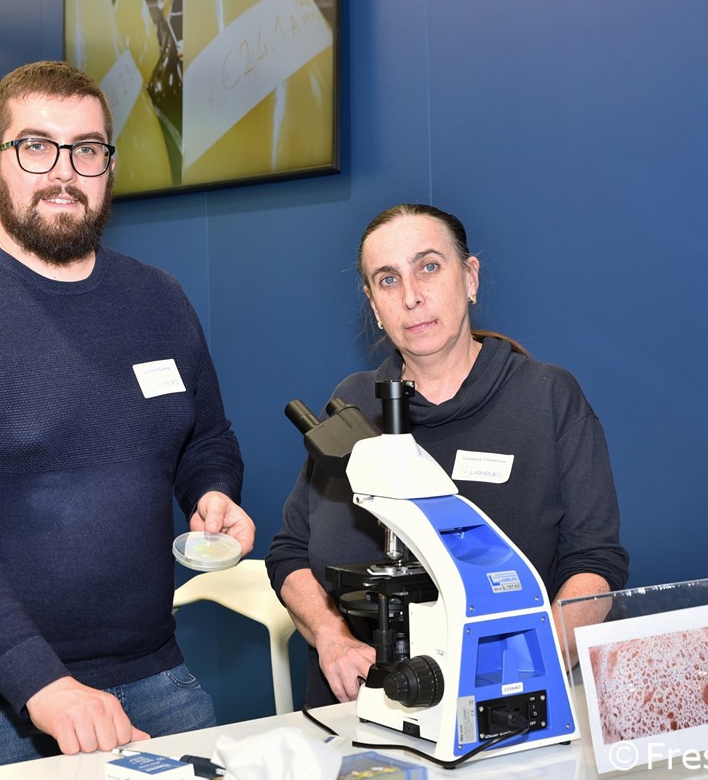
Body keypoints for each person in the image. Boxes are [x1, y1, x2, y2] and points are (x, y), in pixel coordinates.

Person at [0, 60, 255, 775]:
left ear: (109, 165)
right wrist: (41, 683)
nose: (64, 172)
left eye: (87, 149)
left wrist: (213, 492)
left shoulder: (158, 300)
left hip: (153, 673)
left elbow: (205, 437)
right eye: (36, 147)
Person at [265, 203, 628, 708]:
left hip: (505, 703)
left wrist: (522, 667)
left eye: (429, 267)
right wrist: (331, 635)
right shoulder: (354, 403)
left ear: (470, 277)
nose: (411, 296)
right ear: (373, 304)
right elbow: (289, 552)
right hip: (351, 714)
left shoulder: (546, 397)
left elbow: (594, 563)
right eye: (387, 280)